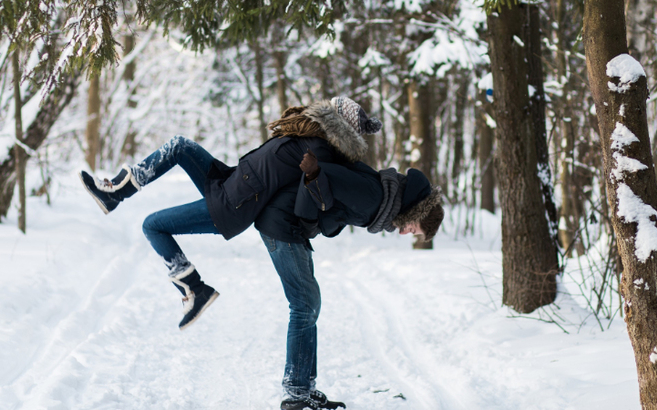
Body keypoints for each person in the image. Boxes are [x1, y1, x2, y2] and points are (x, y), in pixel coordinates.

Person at [78, 96, 380, 331]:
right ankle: (116, 191)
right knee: (180, 145)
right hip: (230, 181)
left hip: (233, 204)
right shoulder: (309, 137)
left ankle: (194, 289)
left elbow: (315, 192)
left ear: (336, 123)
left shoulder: (318, 152)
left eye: (328, 111)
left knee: (152, 225)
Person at [254, 100, 444, 410]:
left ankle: (302, 389)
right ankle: (297, 393)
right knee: (305, 305)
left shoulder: (380, 199)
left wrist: (322, 222)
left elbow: (335, 203)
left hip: (287, 227)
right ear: (414, 212)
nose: (406, 233)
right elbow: (320, 175)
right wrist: (309, 221)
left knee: (308, 305)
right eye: (414, 228)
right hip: (284, 226)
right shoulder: (374, 197)